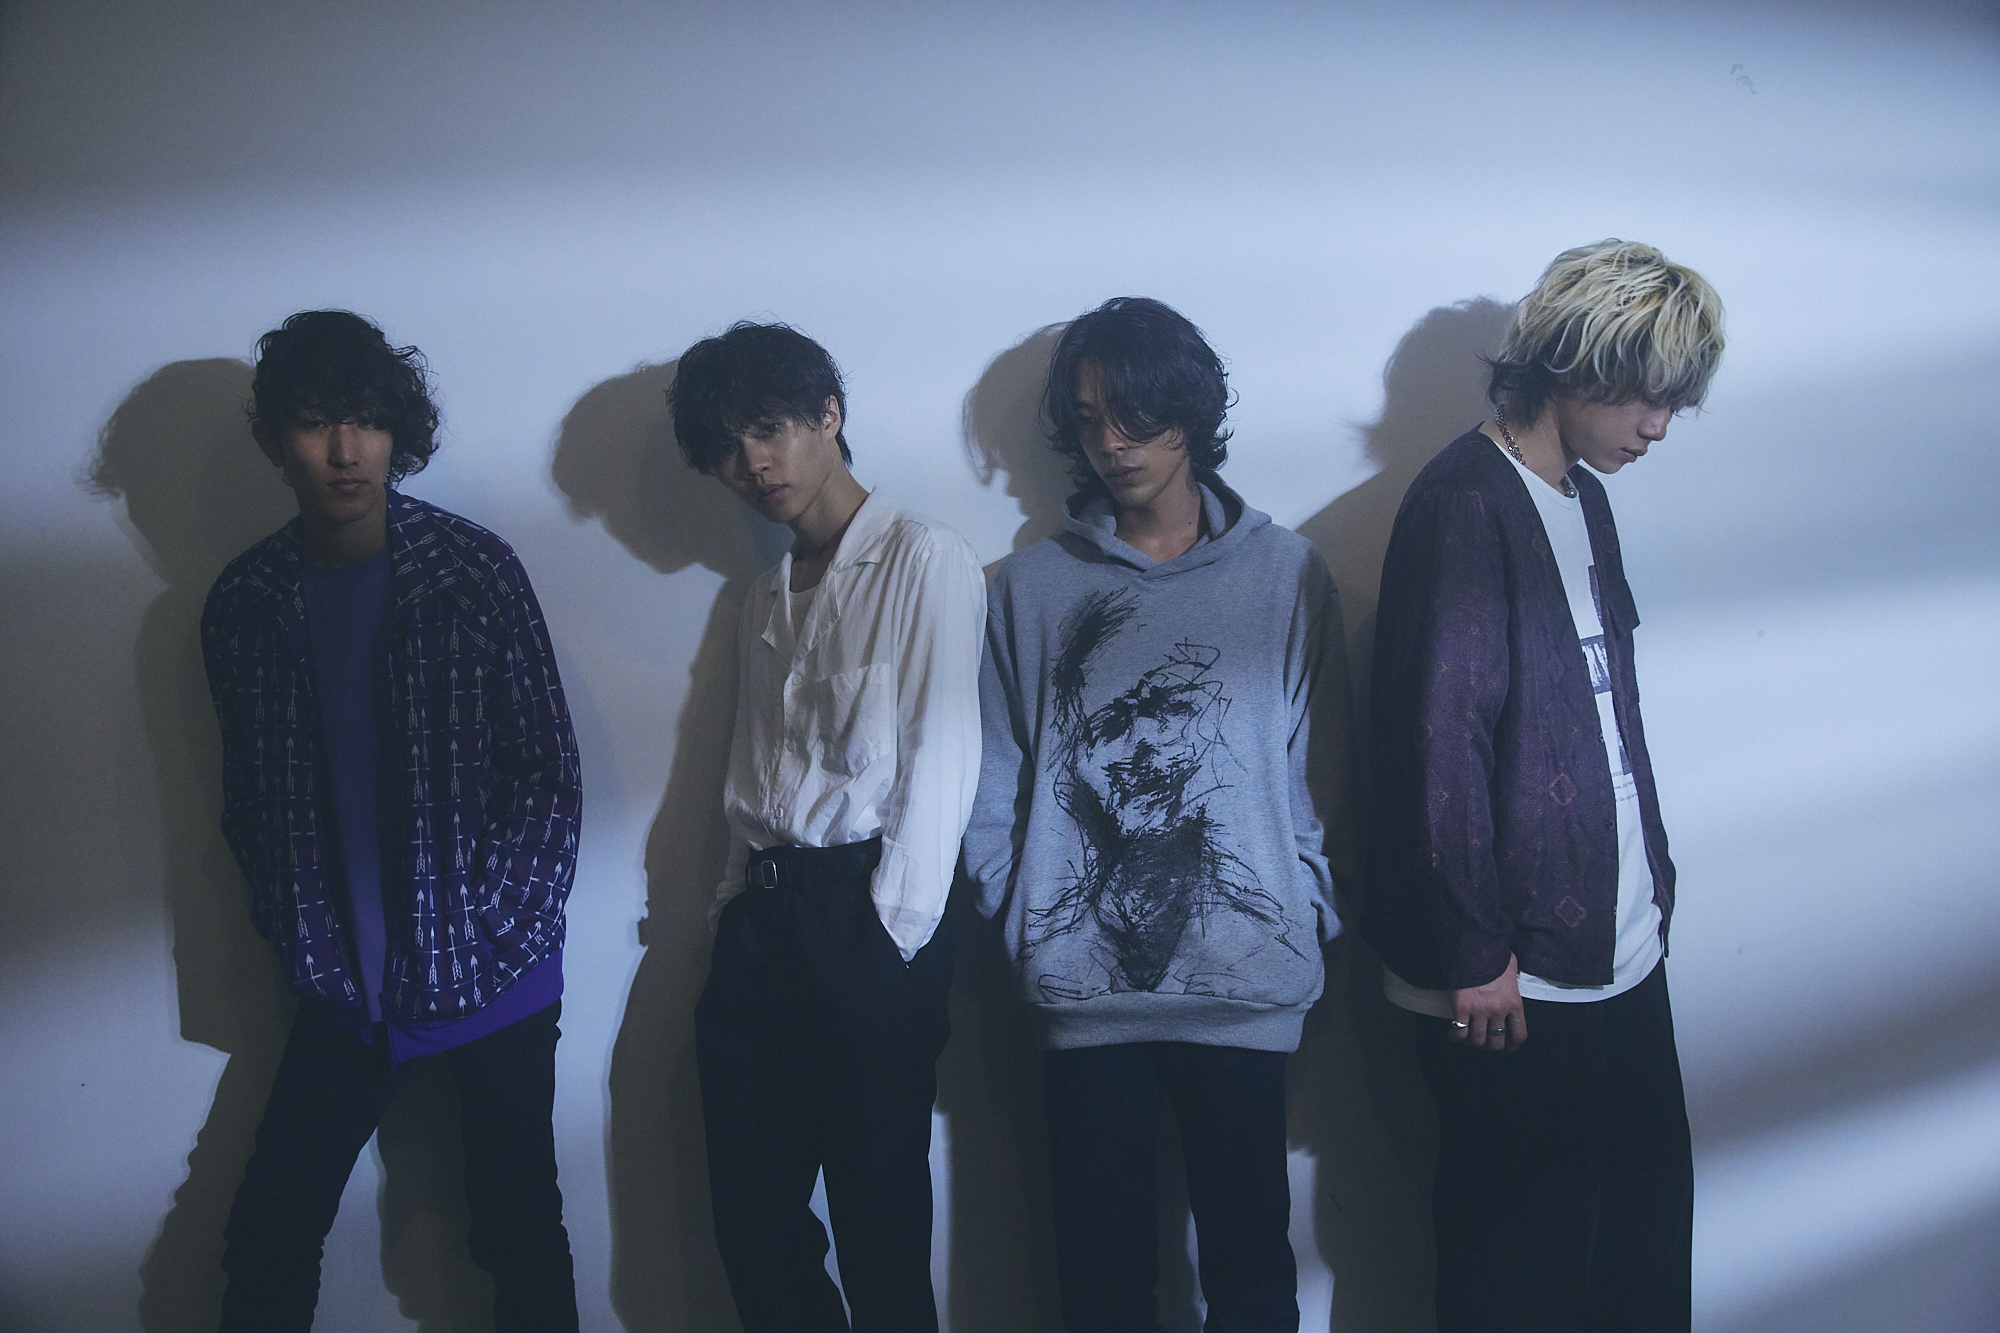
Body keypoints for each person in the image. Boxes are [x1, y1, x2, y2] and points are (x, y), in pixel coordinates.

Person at [963, 297, 1357, 1333]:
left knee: (1251, 1277)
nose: (1112, 442)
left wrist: (1305, 904)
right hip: (1081, 995)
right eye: (1090, 418)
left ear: (1190, 411)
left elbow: (1325, 770)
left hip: (1247, 984)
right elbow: (994, 774)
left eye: (1135, 413)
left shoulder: (1285, 573)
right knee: (1100, 1286)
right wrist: (1020, 911)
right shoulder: (1031, 589)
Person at [1362, 240, 1726, 1332]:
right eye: (1648, 394)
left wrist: (1652, 891)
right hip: (1512, 974)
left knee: (1638, 1249)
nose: (1659, 426)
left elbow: (1605, 714)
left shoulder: (1581, 496)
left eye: (1675, 400)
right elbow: (1436, 745)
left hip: (1617, 943)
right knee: (1518, 1273)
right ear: (1576, 364)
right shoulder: (1462, 504)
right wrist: (1473, 952)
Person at [202, 311, 583, 1331]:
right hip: (342, 984)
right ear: (272, 440)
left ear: (396, 432)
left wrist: (495, 925)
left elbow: (547, 771)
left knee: (516, 1230)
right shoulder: (245, 604)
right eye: (317, 422)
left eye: (368, 421)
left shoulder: (471, 570)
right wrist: (297, 929)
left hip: (491, 971)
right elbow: (249, 802)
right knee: (268, 1235)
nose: (346, 450)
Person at [670, 321, 985, 1333]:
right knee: (752, 1223)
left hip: (866, 919)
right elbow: (750, 767)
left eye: (768, 429)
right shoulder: (759, 597)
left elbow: (941, 761)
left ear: (828, 415)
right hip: (761, 925)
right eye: (728, 448)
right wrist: (731, 902)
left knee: (878, 1230)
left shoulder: (924, 559)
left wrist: (890, 941)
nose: (752, 464)